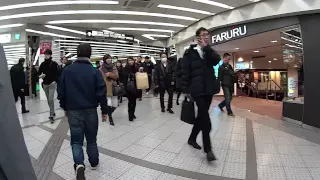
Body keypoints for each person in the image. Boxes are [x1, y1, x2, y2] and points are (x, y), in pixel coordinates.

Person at [57, 43, 108, 180]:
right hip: (91, 110)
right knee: (91, 139)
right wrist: (104, 110)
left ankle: (79, 164)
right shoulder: (94, 71)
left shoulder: (67, 70)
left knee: (76, 141)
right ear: (89, 54)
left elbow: (61, 91)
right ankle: (94, 162)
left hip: (73, 110)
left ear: (77, 53)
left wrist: (65, 107)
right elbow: (102, 92)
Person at [181, 27, 221, 162]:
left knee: (201, 117)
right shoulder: (189, 53)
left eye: (208, 35)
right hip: (196, 90)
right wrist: (186, 89)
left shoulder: (209, 51)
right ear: (198, 37)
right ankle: (208, 149)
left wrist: (207, 48)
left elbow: (217, 61)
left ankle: (192, 138)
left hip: (208, 89)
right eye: (204, 35)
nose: (206, 37)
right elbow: (185, 72)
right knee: (205, 120)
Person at [0, 44, 37, 180]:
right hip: (16, 90)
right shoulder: (20, 69)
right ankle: (22, 108)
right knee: (18, 102)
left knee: (14, 101)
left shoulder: (13, 68)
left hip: (12, 89)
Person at [38, 49, 59, 123]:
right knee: (48, 100)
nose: (46, 56)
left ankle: (51, 114)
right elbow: (38, 73)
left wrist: (55, 81)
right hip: (45, 84)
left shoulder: (54, 64)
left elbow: (58, 74)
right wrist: (41, 76)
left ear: (50, 55)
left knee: (51, 99)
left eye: (47, 54)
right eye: (45, 54)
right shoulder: (42, 64)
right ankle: (52, 111)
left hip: (52, 84)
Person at [100, 54, 119, 126]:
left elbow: (117, 76)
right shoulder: (101, 69)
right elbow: (99, 79)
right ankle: (110, 118)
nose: (109, 60)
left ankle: (109, 113)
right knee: (109, 103)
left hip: (113, 87)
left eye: (110, 58)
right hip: (106, 88)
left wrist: (110, 74)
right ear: (104, 60)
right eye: (107, 58)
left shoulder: (114, 67)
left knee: (115, 105)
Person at [123, 57, 138, 121]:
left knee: (134, 102)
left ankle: (133, 113)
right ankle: (130, 115)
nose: (131, 61)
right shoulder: (125, 68)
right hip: (129, 88)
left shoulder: (136, 68)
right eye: (129, 60)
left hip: (135, 87)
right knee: (130, 102)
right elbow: (124, 78)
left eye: (131, 60)